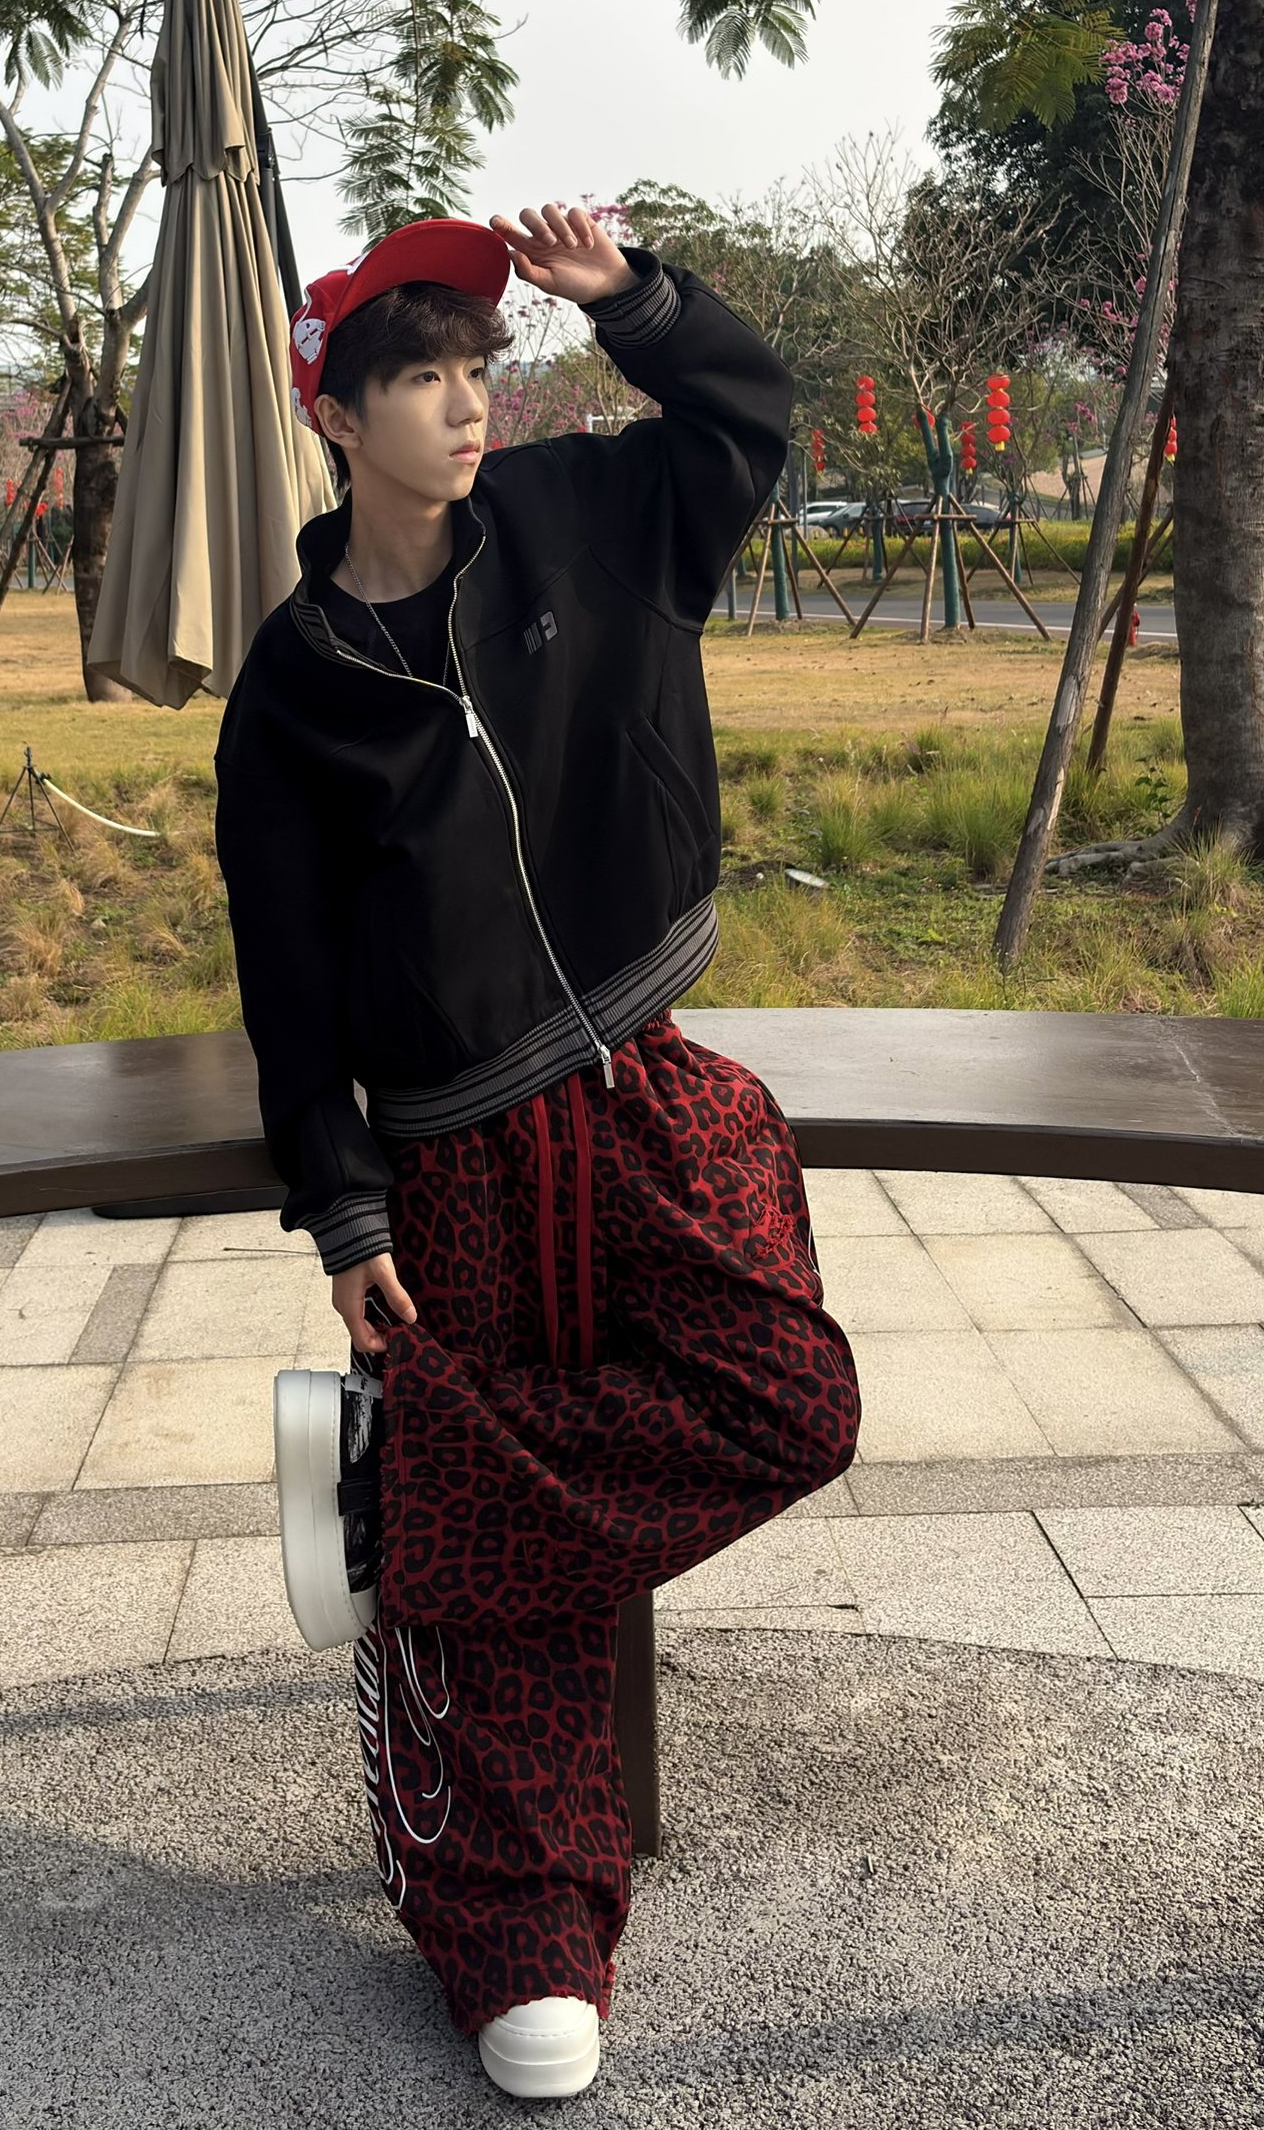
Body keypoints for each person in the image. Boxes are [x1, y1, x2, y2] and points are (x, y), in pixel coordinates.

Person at [215, 203, 861, 2101]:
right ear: (333, 415)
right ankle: (521, 1926)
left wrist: (634, 302)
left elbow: (746, 421)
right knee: (510, 1573)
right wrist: (341, 1204)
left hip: (644, 1078)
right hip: (454, 1149)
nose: (463, 406)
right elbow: (287, 982)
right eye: (418, 379)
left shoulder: (585, 514)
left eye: (474, 371)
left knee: (788, 1401)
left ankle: (419, 1488)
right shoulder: (296, 685)